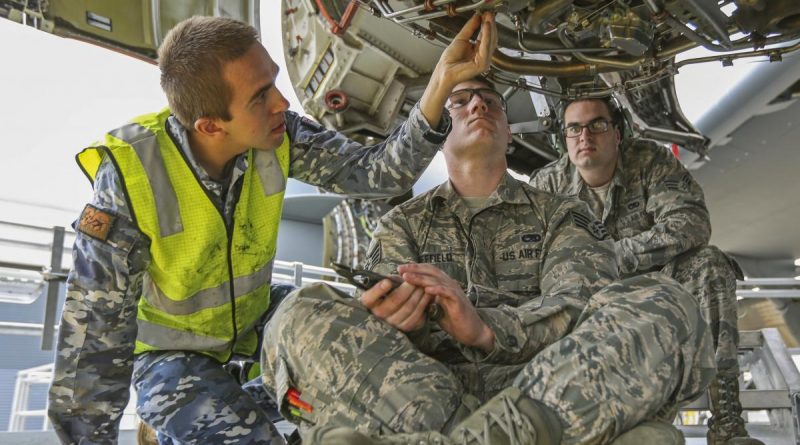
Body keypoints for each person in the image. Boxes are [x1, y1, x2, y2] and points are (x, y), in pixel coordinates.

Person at [47, 12, 499, 445]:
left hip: (256, 319)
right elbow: (93, 349)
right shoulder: (130, 176)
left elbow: (377, 174)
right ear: (210, 125)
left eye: (275, 81)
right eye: (260, 95)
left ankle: (260, 398)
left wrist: (440, 84)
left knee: (361, 340)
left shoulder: (280, 132)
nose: (282, 102)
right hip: (171, 355)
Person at [260, 77, 715, 445]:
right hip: (429, 393)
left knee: (663, 302)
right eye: (460, 102)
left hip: (545, 389)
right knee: (300, 314)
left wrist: (484, 328)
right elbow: (384, 346)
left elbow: (579, 308)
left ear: (509, 131)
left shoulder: (564, 214)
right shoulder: (401, 224)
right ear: (438, 134)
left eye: (491, 102)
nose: (478, 106)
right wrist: (404, 320)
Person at [528, 97, 761, 445]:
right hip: (586, 297)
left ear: (618, 133)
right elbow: (533, 260)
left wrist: (615, 255)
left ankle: (727, 426)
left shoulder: (650, 161)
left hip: (655, 283)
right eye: (574, 129)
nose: (584, 136)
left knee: (710, 263)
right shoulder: (548, 185)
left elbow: (691, 223)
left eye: (597, 125)